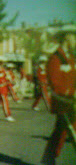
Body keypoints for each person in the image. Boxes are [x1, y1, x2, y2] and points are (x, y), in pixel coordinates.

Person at [41, 25, 76, 164]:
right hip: (63, 101)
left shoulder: (71, 58)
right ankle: (48, 159)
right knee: (72, 133)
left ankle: (48, 159)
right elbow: (55, 84)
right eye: (74, 37)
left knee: (60, 132)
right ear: (67, 37)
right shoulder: (56, 58)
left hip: (70, 101)